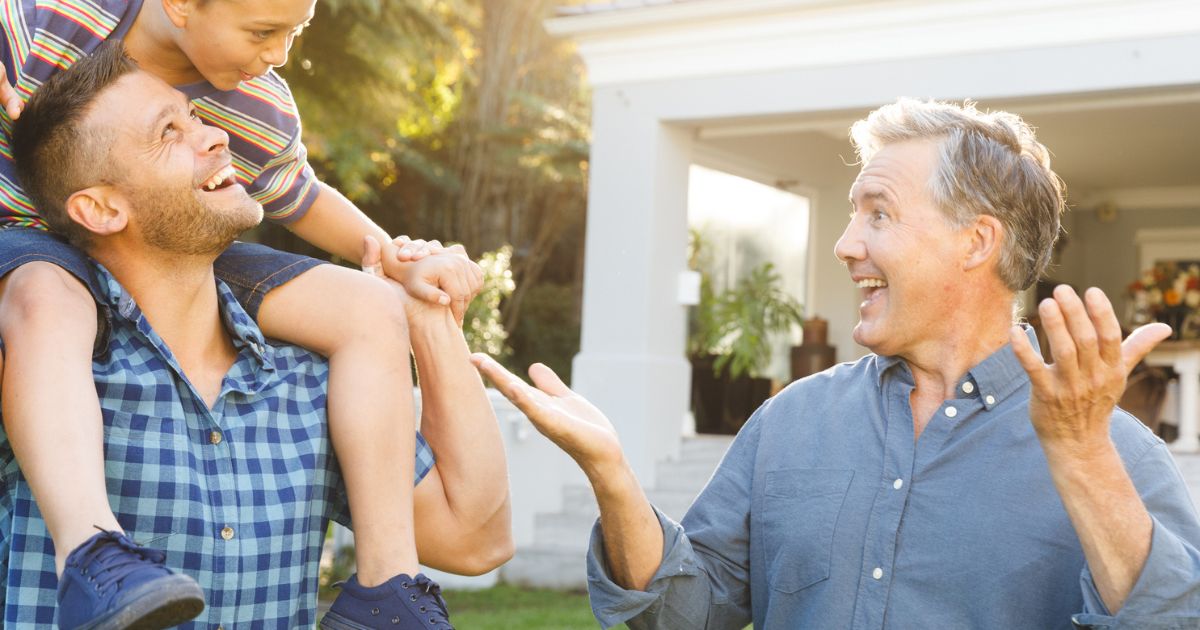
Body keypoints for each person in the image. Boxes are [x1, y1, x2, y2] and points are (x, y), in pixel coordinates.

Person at [473, 98, 1200, 628]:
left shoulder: (1119, 456)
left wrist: (1081, 458)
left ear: (976, 242)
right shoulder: (792, 420)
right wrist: (613, 477)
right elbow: (682, 616)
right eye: (852, 214)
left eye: (877, 214)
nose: (846, 243)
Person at [0, 0, 483, 625]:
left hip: (164, 238)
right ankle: (91, 549)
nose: (280, 53)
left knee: (368, 304)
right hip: (26, 242)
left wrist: (395, 260)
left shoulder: (259, 102)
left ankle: (388, 583)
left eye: (294, 32)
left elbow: (301, 196)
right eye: (263, 32)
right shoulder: (47, 24)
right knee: (46, 296)